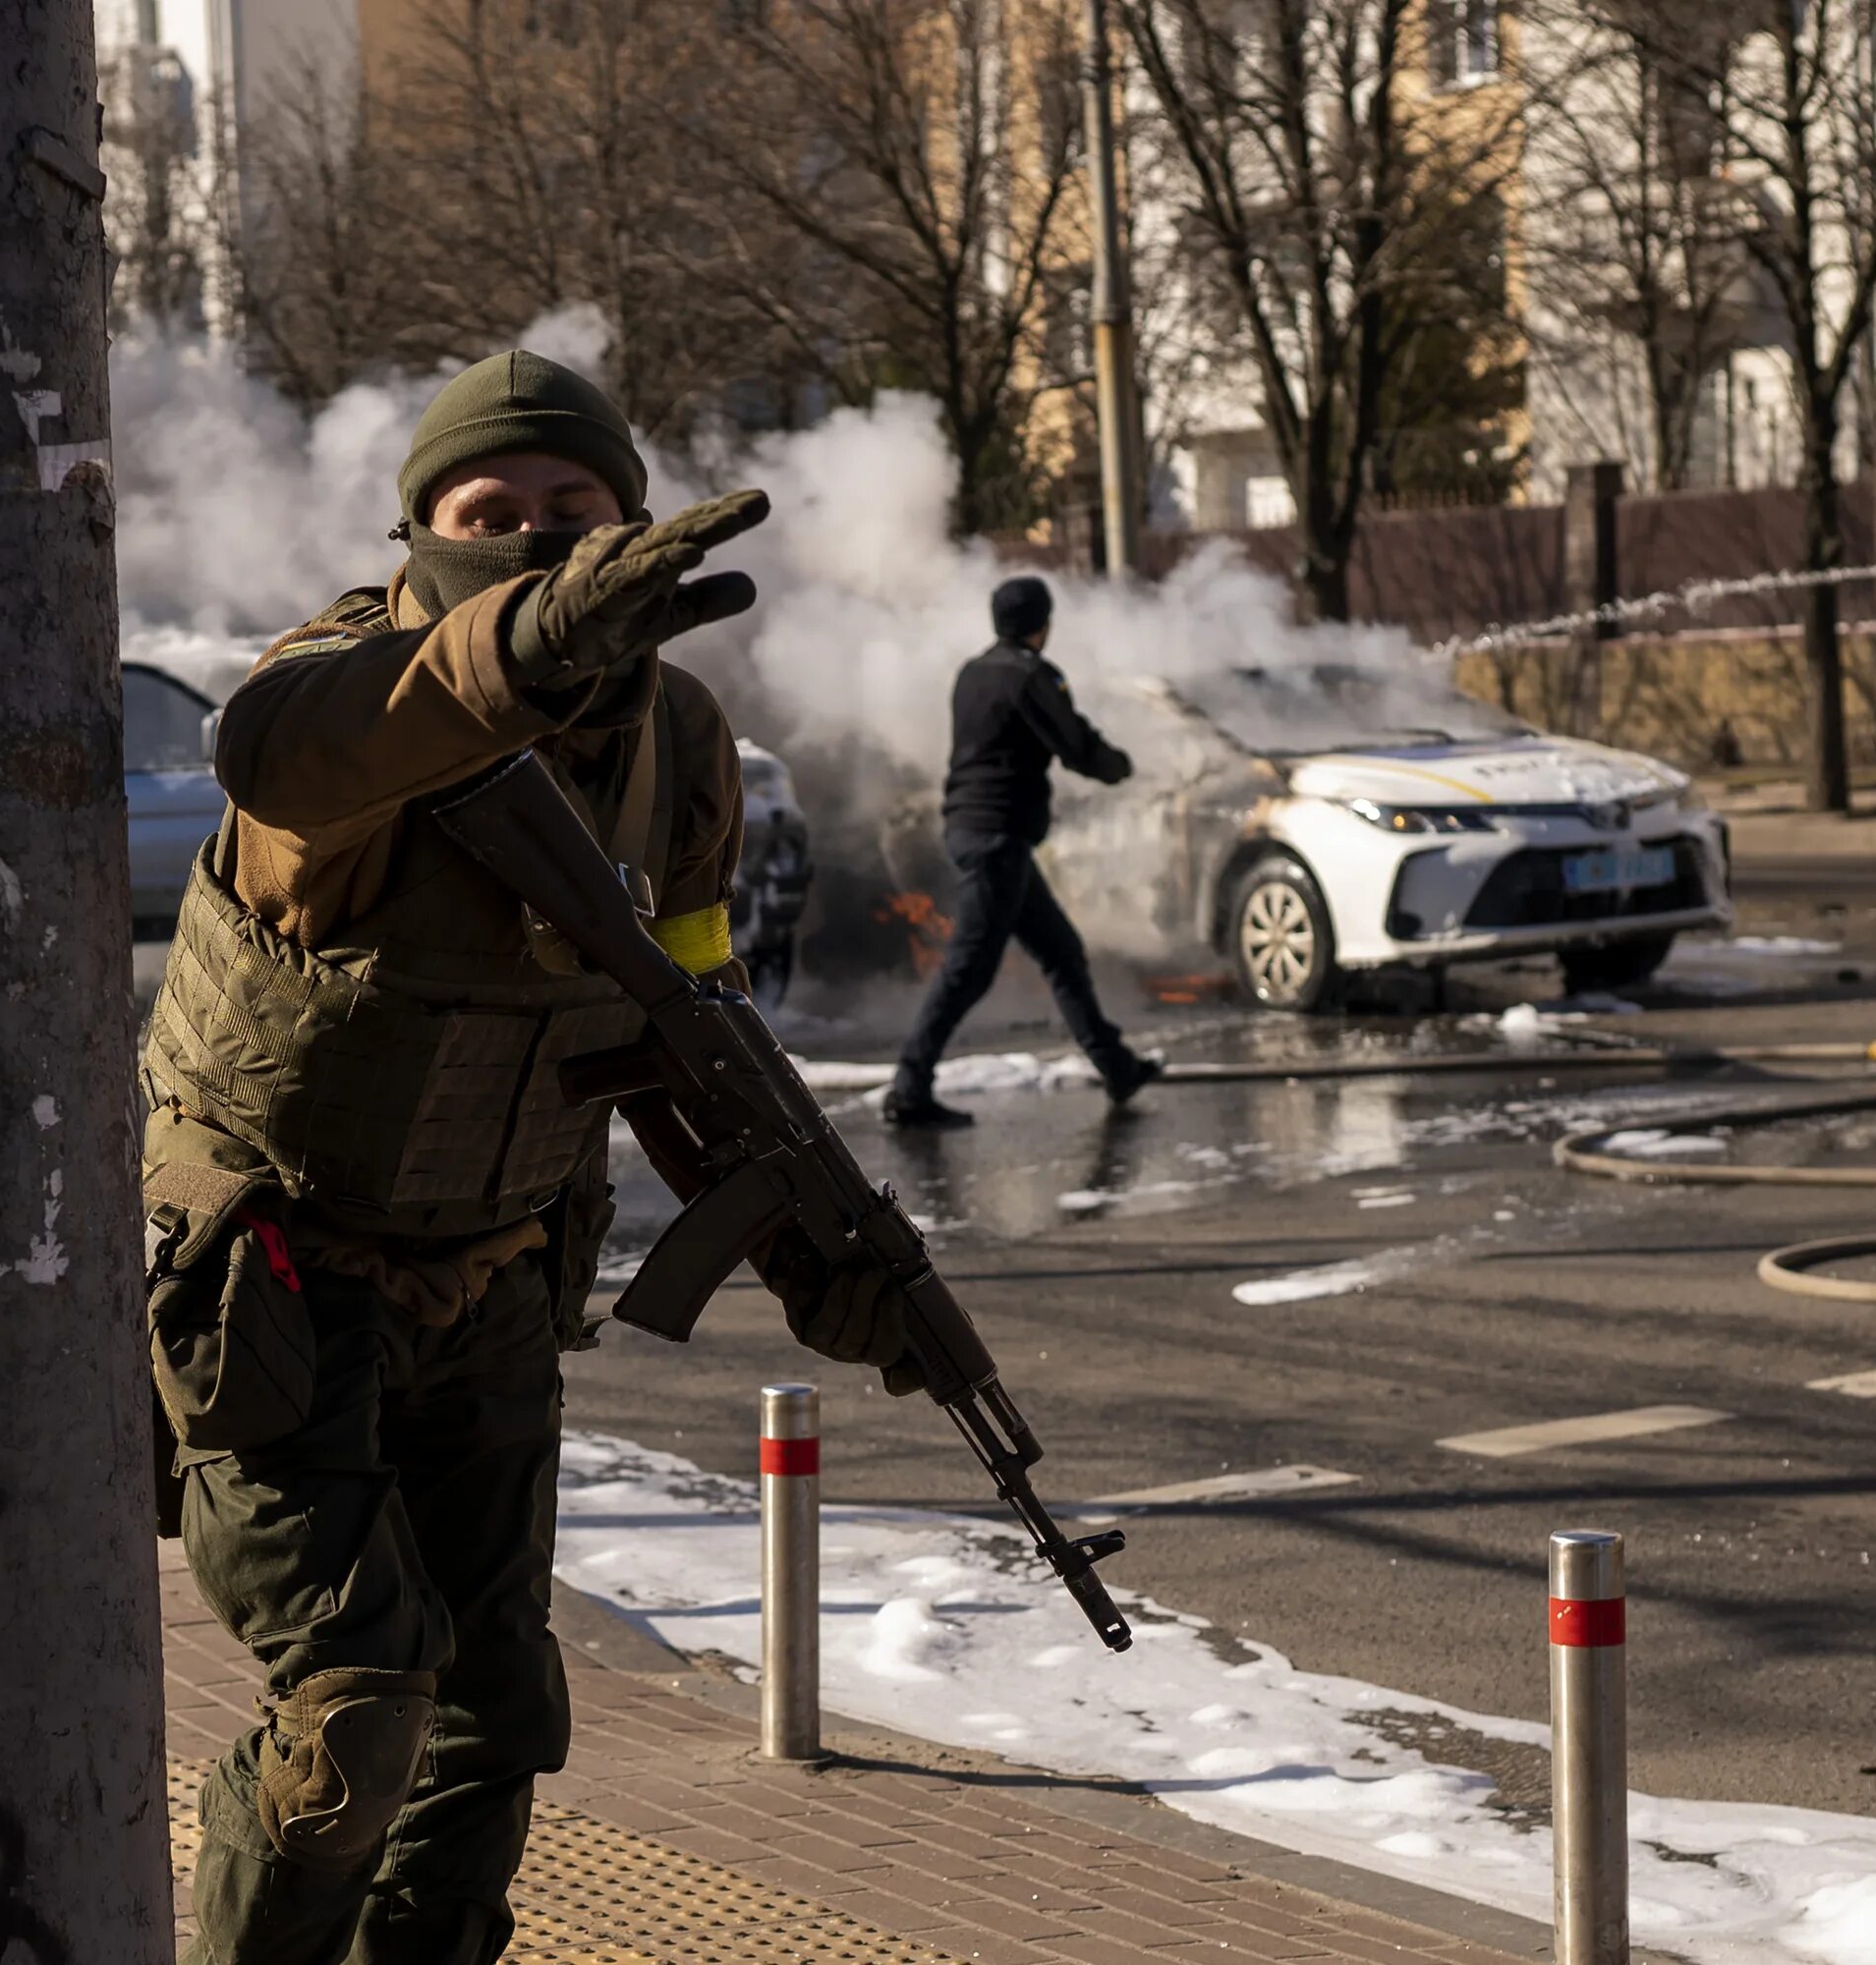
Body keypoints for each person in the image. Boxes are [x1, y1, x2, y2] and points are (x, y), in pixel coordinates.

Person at [138, 351, 907, 1965]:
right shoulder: (338, 693)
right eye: (491, 514)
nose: (539, 541)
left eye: (577, 512)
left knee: (495, 1718)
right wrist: (520, 646)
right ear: (419, 534)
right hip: (277, 1281)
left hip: (490, 1275)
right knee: (358, 1719)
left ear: (637, 523)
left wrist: (819, 1253)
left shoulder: (682, 749)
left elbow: (692, 1030)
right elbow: (281, 760)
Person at [883, 576, 1161, 1128]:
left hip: (977, 831)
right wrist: (1120, 765)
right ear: (1042, 623)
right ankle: (908, 1088)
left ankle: (1117, 1067)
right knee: (967, 971)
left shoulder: (973, 672)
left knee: (1061, 953)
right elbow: (1077, 747)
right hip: (997, 839)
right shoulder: (1033, 676)